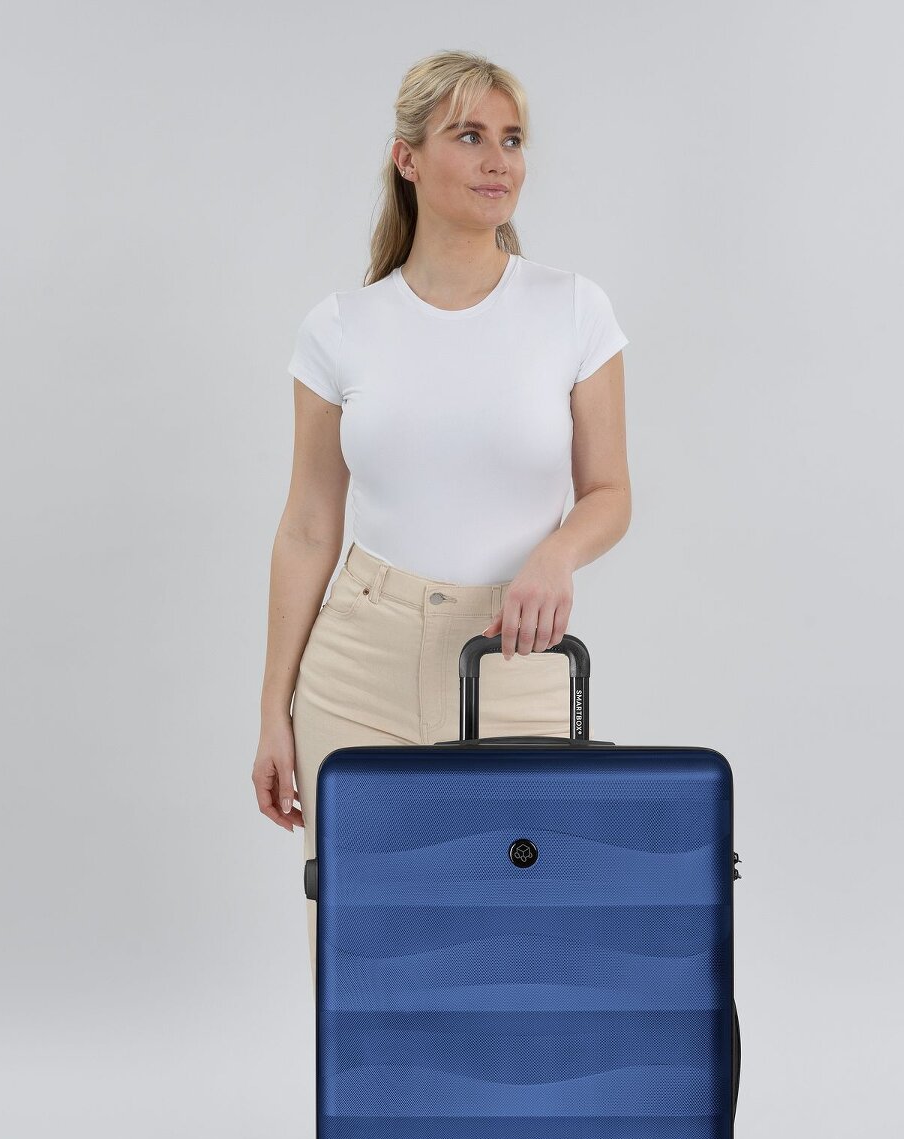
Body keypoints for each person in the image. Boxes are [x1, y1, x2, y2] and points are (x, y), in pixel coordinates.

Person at [252, 50, 633, 987]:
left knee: (525, 952)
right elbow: (308, 525)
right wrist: (273, 711)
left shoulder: (573, 310)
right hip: (358, 665)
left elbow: (610, 493)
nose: (499, 159)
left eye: (512, 139)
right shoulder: (340, 328)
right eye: (469, 135)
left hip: (517, 658)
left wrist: (555, 555)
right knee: (366, 958)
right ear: (408, 158)